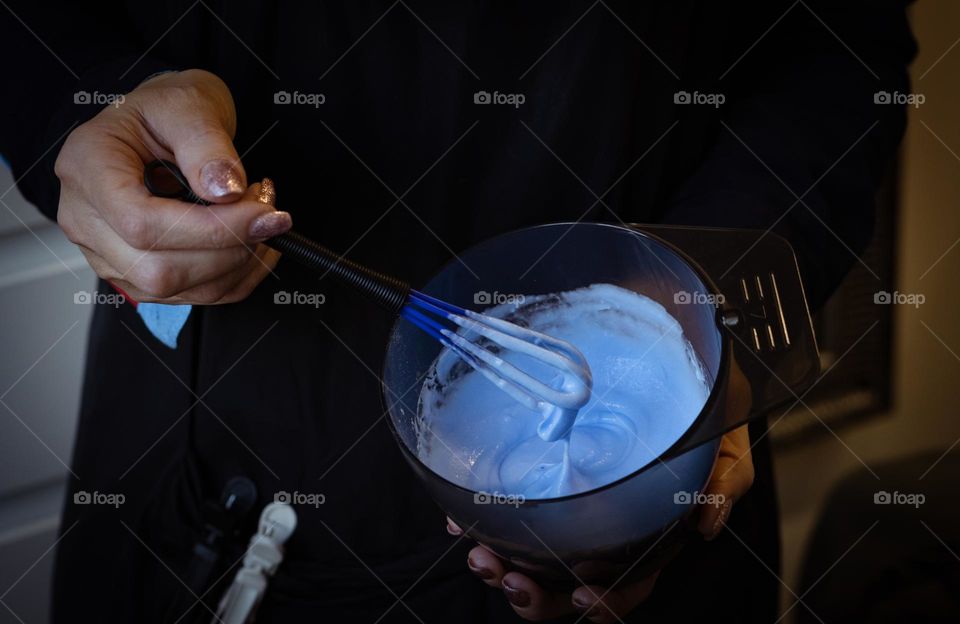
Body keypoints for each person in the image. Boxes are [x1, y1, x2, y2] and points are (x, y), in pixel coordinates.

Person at [0, 2, 915, 622]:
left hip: (670, 454)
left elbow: (836, 46)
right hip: (220, 447)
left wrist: (709, 294)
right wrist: (84, 116)